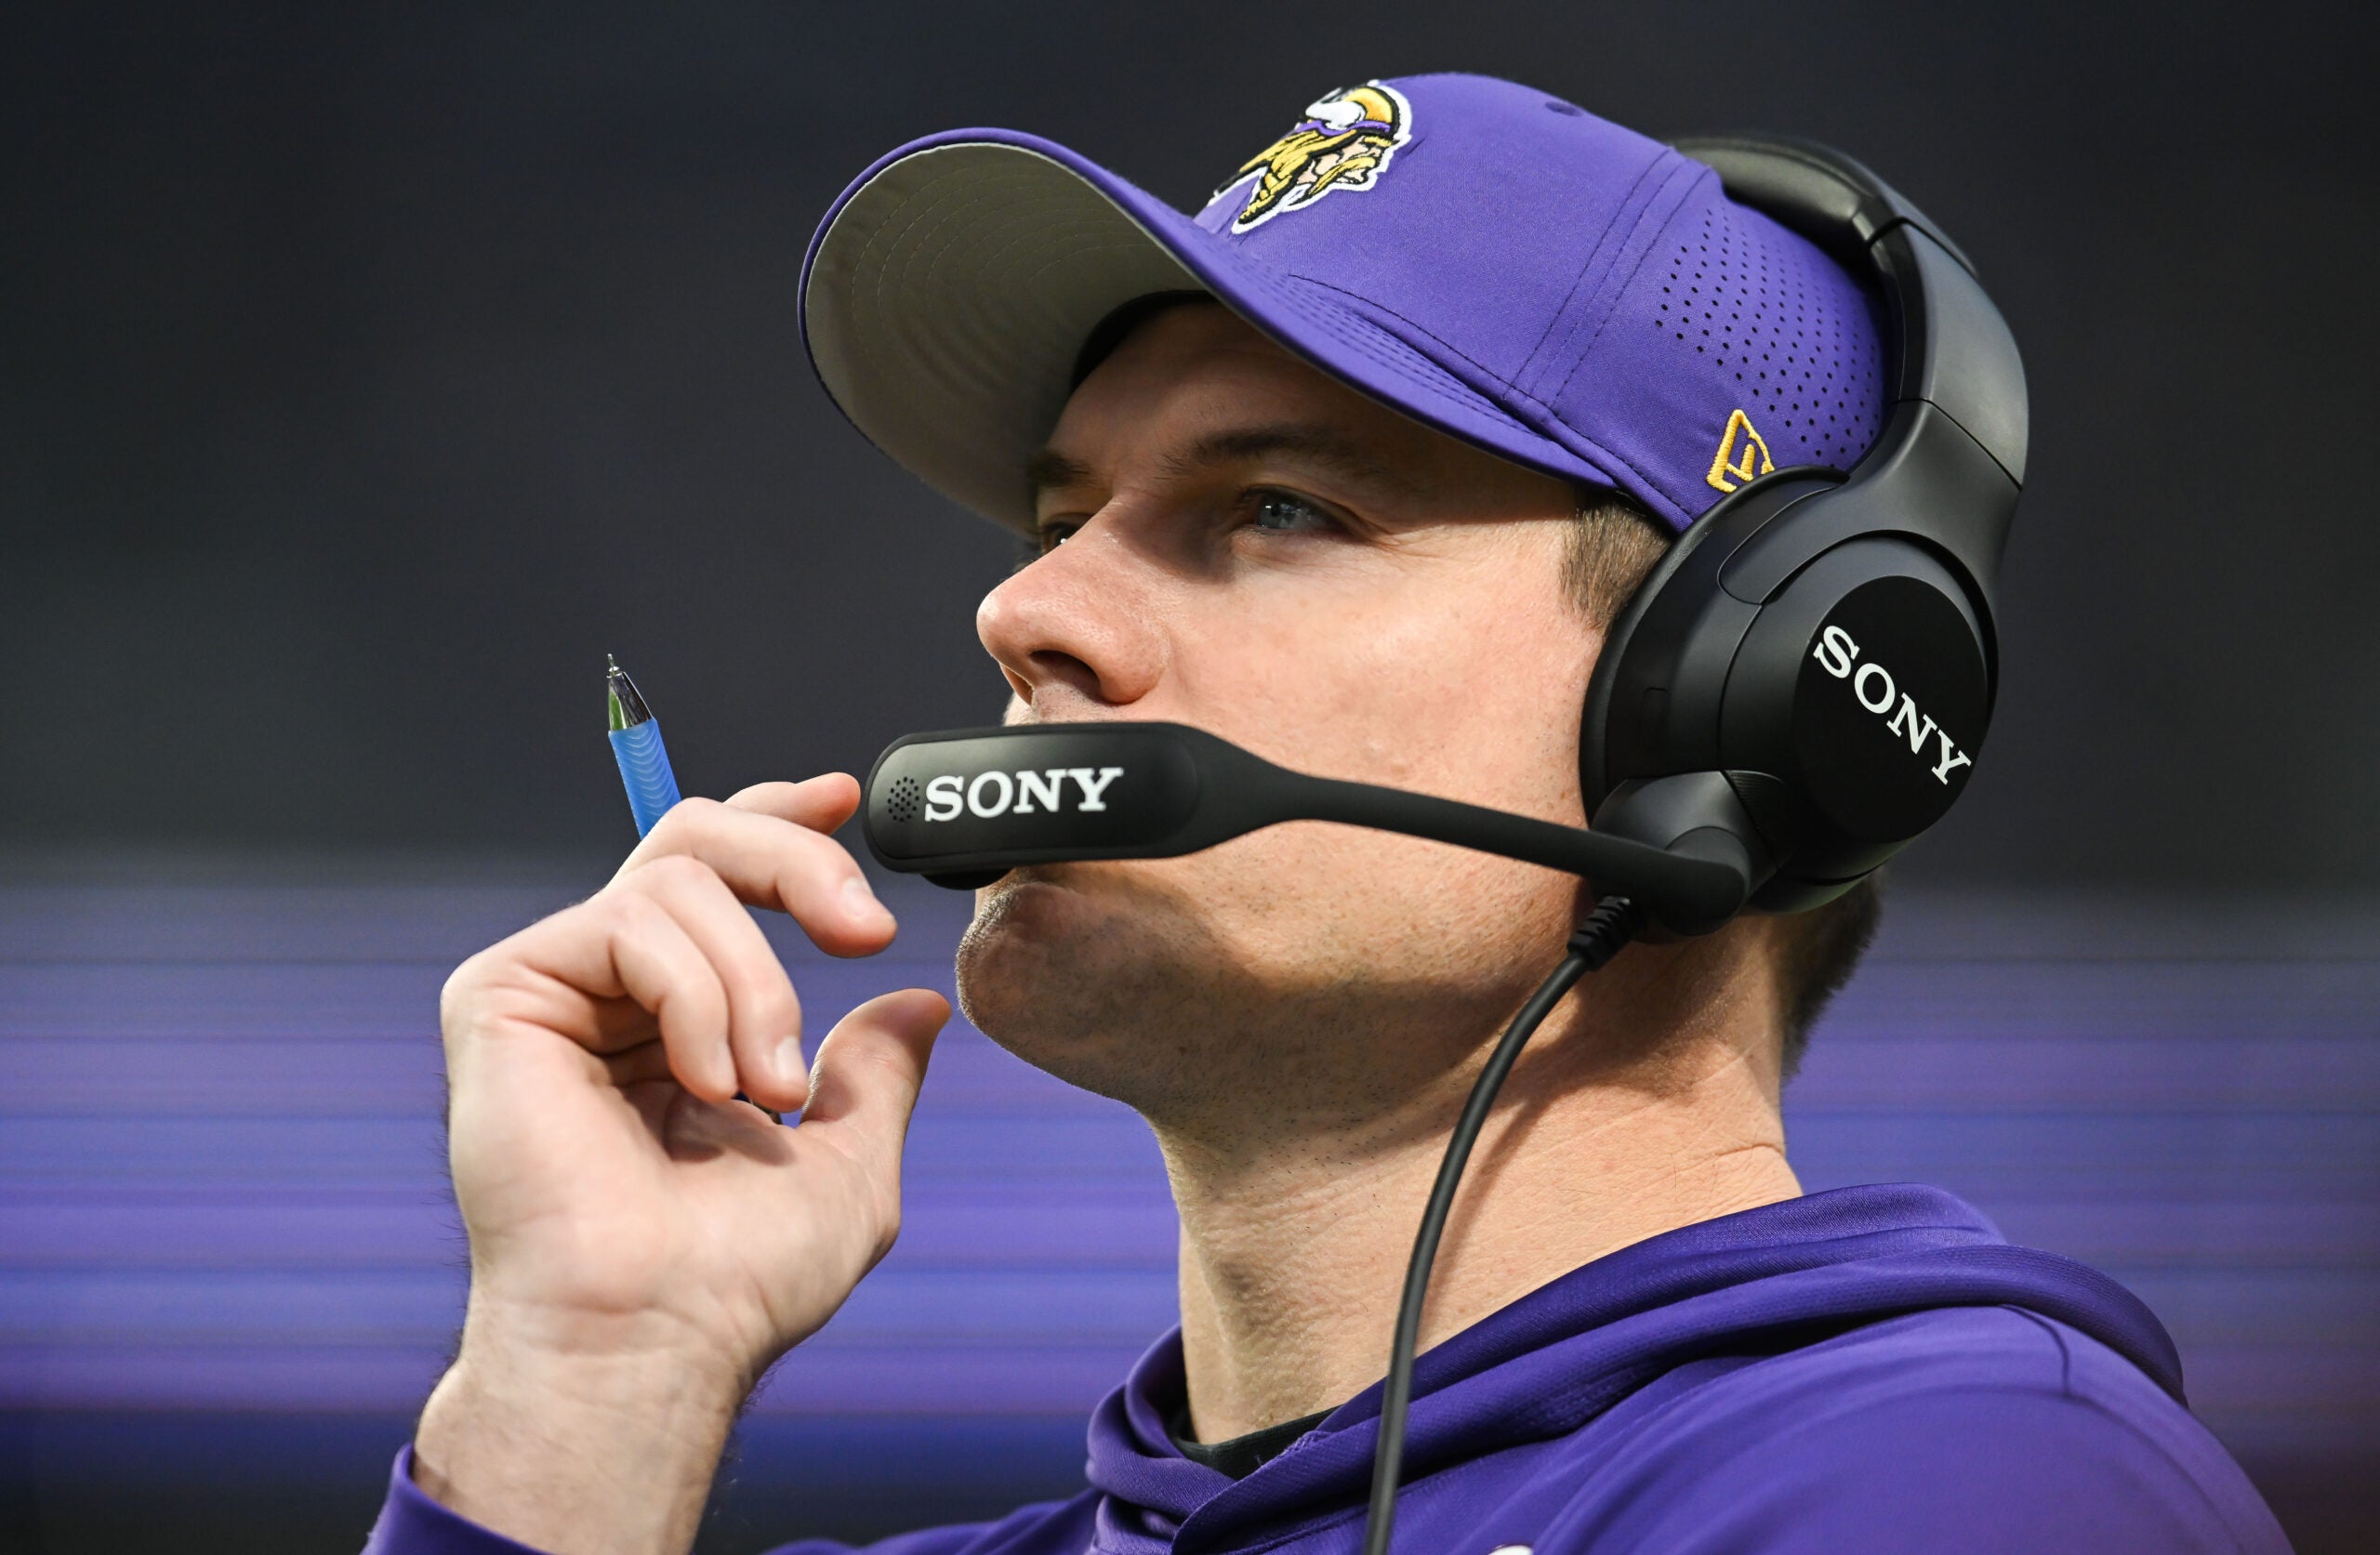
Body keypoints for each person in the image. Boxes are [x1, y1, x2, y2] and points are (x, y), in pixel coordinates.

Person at [364, 73, 2288, 1555]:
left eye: (1276, 507)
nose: (1020, 611)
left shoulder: (1949, 1491)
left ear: (1739, 694)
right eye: (1058, 519)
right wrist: (586, 1382)